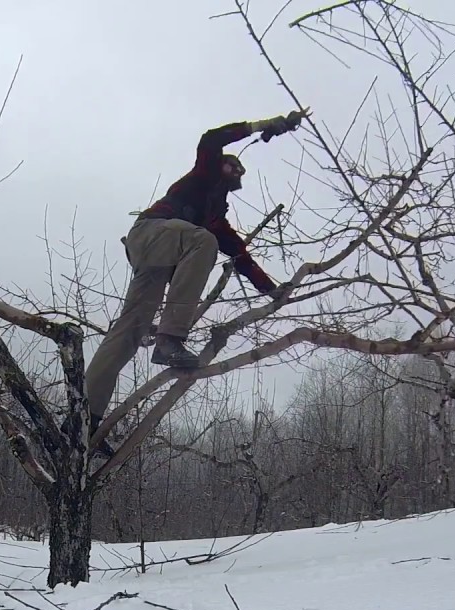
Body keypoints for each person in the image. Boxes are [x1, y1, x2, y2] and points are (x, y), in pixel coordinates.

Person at [81, 109, 308, 457]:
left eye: (240, 171)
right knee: (204, 243)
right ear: (221, 167)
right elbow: (211, 138)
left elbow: (242, 258)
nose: (237, 171)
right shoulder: (203, 175)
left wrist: (273, 290)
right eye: (233, 166)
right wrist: (263, 126)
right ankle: (170, 341)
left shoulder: (215, 219)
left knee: (127, 333)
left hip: (158, 259)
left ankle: (84, 421)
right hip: (150, 234)